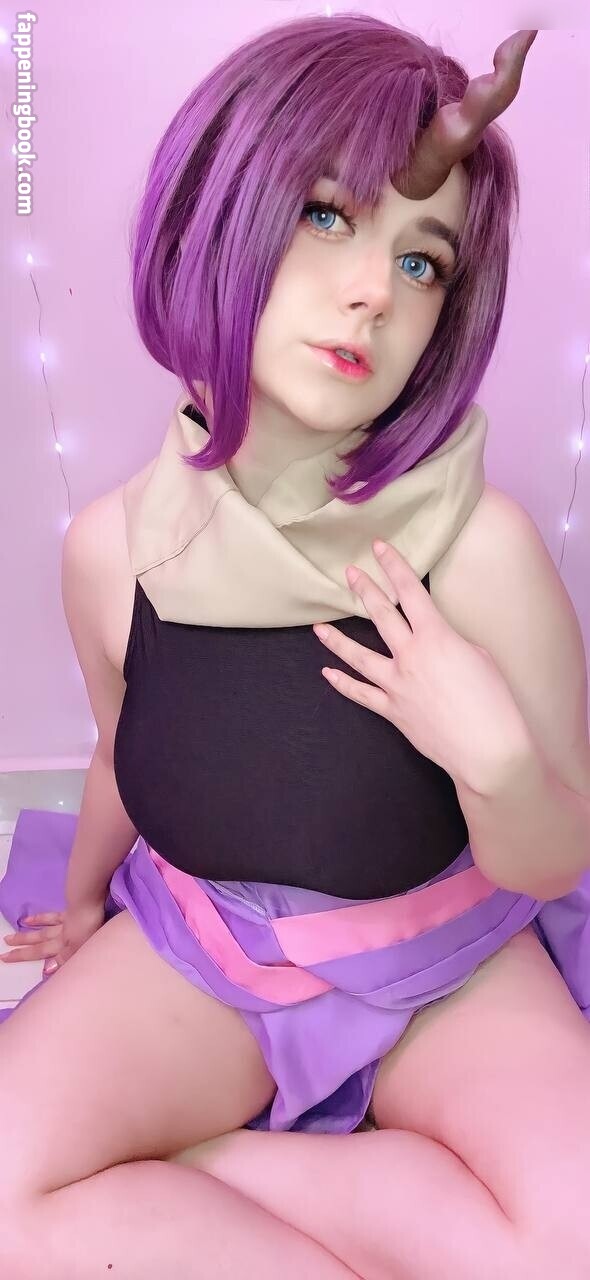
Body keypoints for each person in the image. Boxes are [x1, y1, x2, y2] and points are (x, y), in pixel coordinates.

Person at [1, 14, 590, 1279]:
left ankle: (191, 1165)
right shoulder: (113, 550)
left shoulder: (481, 549)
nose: (375, 291)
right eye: (327, 214)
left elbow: (554, 852)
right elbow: (121, 748)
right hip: (207, 946)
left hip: (444, 958)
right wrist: (84, 902)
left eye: (421, 261)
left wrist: (494, 764)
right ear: (217, 210)